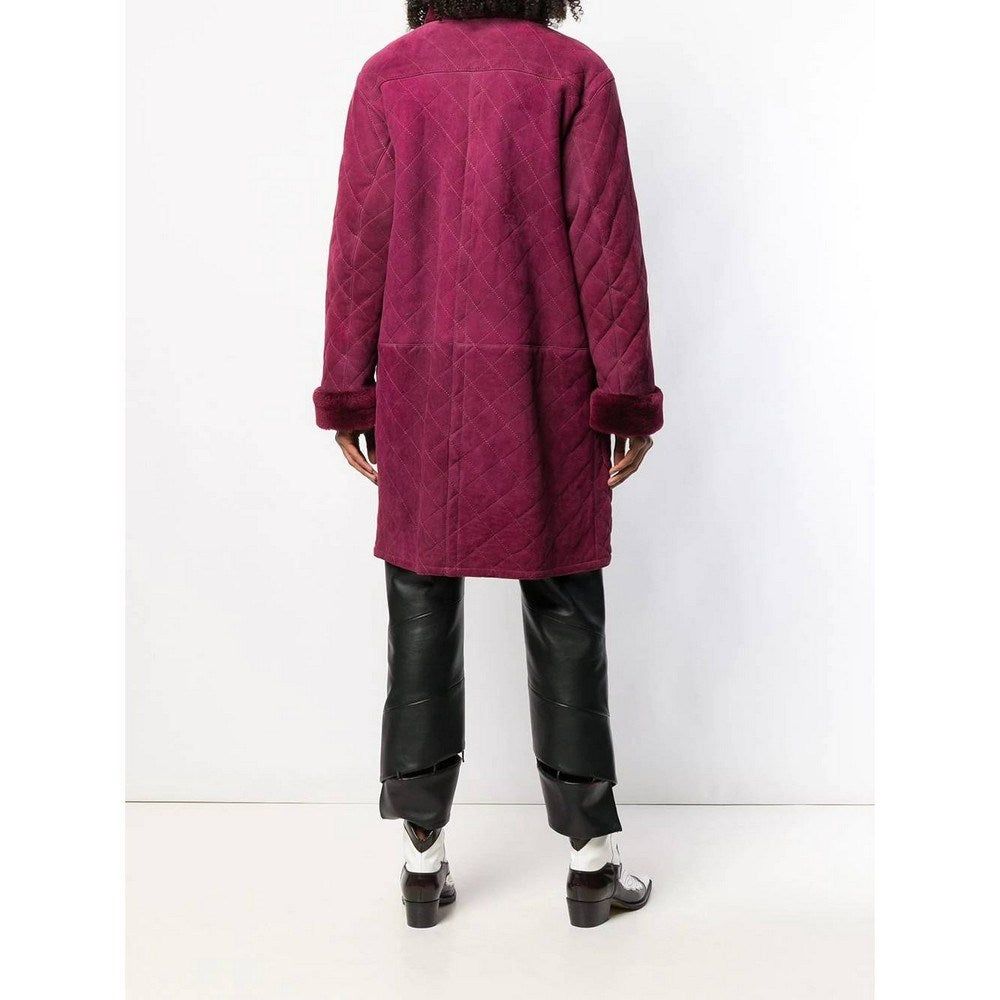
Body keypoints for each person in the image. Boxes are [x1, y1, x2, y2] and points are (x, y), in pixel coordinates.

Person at [313, 1, 663, 928]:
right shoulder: (574, 74)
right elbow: (607, 246)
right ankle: (591, 864)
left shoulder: (389, 75)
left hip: (422, 385)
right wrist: (625, 394)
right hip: (547, 380)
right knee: (566, 601)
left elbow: (359, 245)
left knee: (419, 601)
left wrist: (349, 388)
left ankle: (420, 861)